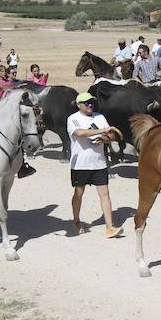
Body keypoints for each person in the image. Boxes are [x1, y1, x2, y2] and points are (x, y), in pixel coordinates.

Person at [66, 93, 122, 238]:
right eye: (86, 102)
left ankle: (110, 227)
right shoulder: (73, 119)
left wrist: (104, 139)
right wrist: (102, 131)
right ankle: (76, 221)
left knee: (105, 194)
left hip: (99, 163)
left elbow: (112, 135)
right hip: (80, 164)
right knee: (79, 194)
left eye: (92, 102)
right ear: (79, 105)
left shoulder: (100, 117)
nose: (90, 104)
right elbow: (80, 133)